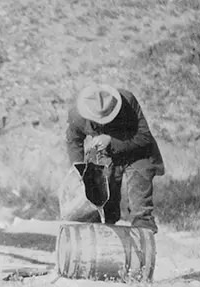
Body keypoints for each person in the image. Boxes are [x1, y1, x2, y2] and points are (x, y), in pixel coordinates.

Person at [66, 84, 164, 230]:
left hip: (138, 152)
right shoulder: (77, 115)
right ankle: (106, 247)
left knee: (141, 211)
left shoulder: (128, 101)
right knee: (103, 208)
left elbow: (144, 137)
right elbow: (74, 141)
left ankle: (143, 246)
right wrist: (79, 170)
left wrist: (111, 140)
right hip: (106, 157)